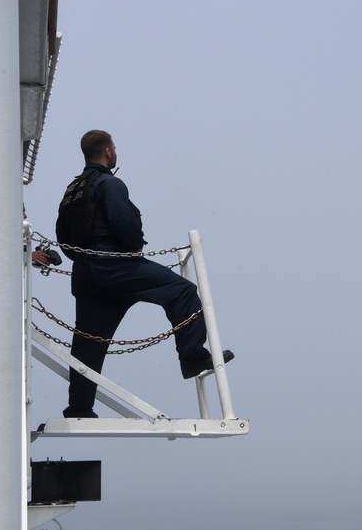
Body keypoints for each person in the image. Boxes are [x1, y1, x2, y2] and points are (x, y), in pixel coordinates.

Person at [56, 129, 232, 418]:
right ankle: (192, 358)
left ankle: (79, 407)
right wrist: (131, 248)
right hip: (114, 265)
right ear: (108, 152)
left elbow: (61, 234)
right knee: (182, 292)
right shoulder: (108, 184)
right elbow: (124, 223)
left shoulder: (71, 191)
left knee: (89, 341)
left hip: (85, 273)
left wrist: (84, 260)